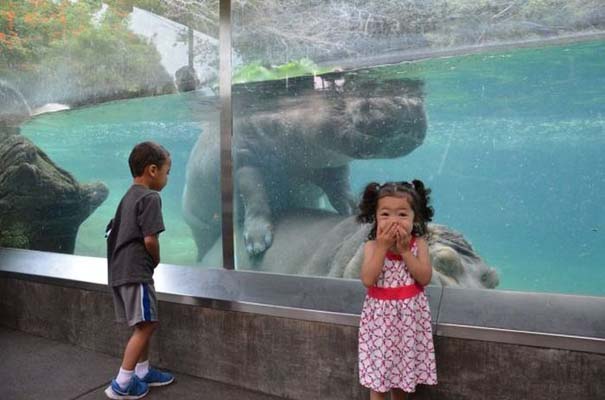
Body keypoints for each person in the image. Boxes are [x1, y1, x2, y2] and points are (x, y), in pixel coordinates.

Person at [104, 141, 174, 399]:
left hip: (120, 270)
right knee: (147, 325)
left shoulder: (128, 197)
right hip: (136, 271)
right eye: (167, 172)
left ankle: (142, 372)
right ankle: (122, 383)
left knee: (144, 322)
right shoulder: (151, 197)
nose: (167, 178)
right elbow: (149, 239)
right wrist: (155, 259)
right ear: (152, 170)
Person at [357, 180, 437, 400]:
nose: (393, 221)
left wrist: (405, 252)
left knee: (402, 381)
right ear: (375, 217)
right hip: (381, 325)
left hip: (409, 323)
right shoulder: (372, 246)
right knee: (379, 382)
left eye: (402, 215)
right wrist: (383, 248)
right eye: (385, 214)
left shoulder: (418, 244)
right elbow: (367, 279)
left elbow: (424, 277)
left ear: (415, 218)